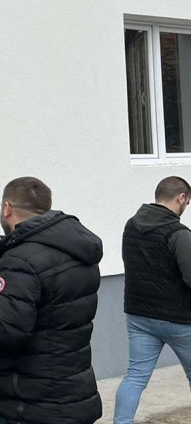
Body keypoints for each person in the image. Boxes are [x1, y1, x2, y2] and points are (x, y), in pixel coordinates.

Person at [0, 177, 102, 424]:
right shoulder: (78, 251)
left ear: (7, 208)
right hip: (72, 394)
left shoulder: (19, 261)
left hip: (32, 403)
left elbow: (1, 331)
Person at [113, 176, 191, 424]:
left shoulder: (131, 225)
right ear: (181, 198)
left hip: (139, 316)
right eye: (187, 202)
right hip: (180, 320)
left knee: (135, 377)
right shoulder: (179, 234)